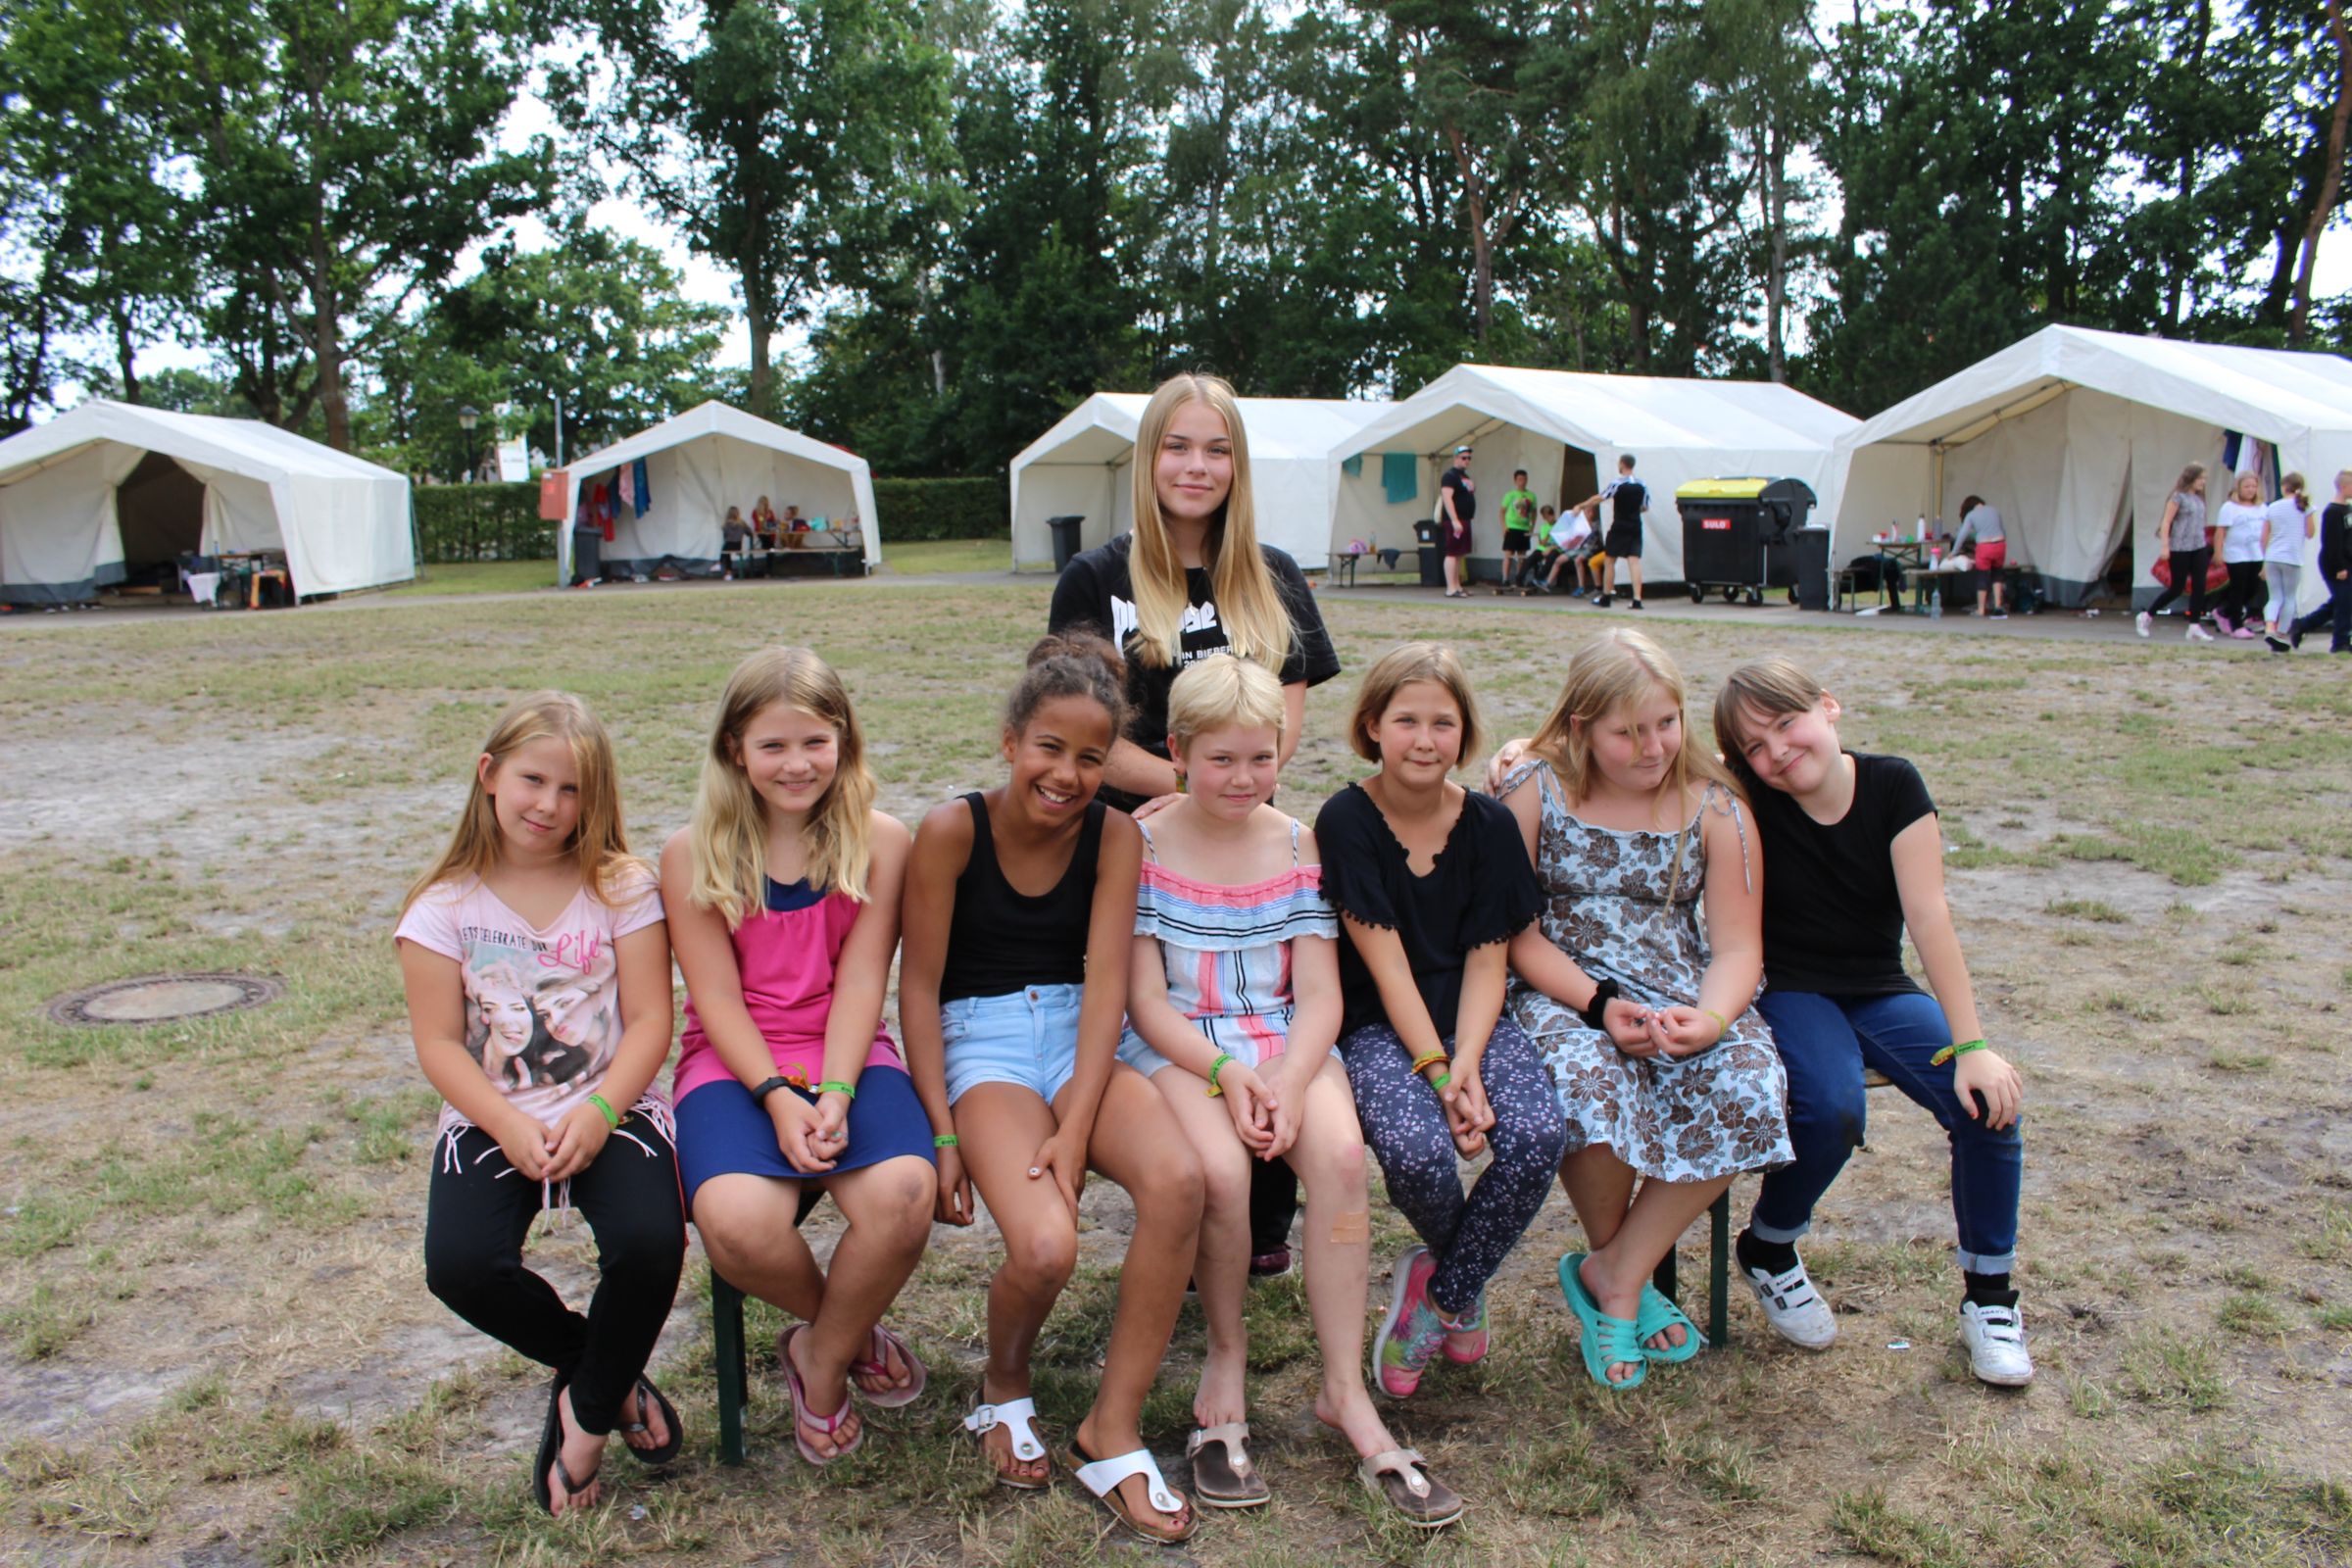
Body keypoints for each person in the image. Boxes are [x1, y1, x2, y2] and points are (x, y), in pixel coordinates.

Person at [1119, 655, 1462, 1527]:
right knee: (1222, 1175)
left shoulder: (1300, 844)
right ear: (1177, 752)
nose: (1242, 778)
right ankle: (1225, 1354)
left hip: (1285, 1040)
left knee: (1343, 1159)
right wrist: (1227, 1074)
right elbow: (1145, 1000)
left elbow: (1319, 994)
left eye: (1260, 758)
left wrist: (1291, 1073)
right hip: (1182, 1048)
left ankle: (1344, 1387)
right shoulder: (1144, 847)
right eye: (1220, 760)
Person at [899, 634, 1204, 1545]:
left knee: (1179, 1181)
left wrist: (1075, 1127)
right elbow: (918, 989)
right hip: (984, 1041)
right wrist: (942, 1135)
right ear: (1010, 742)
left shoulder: (1115, 835)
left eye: (1090, 757)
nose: (1067, 775)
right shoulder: (952, 831)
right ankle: (1004, 1383)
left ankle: (1112, 1429)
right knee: (1043, 1249)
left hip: (1082, 1036)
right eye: (1049, 749)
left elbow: (1107, 983)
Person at [1049, 370, 1341, 1273]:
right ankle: (1191, 1197)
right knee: (1170, 1007)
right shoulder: (1096, 577)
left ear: (1237, 465)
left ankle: (1263, 1215)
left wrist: (1222, 788)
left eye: (1217, 449)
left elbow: (1285, 718)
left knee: (1262, 994)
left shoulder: (1273, 575)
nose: (1196, 465)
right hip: (1132, 841)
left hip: (1243, 827)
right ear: (1148, 456)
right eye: (1177, 445)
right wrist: (1179, 783)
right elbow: (1078, 720)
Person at [395, 693, 685, 1516]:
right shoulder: (443, 908)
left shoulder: (621, 887)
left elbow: (651, 1019)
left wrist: (600, 1114)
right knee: (461, 1267)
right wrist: (508, 1124)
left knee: (649, 1242)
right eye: (533, 780)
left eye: (572, 790)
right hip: (494, 1116)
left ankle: (585, 1419)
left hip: (613, 1107)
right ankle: (603, 1371)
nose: (550, 805)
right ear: (489, 774)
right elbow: (440, 1044)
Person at [1710, 659, 2030, 1388]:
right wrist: (1526, 751)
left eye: (1787, 724)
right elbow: (1650, 750)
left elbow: (1929, 916)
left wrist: (1973, 1045)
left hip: (1877, 988)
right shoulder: (1746, 793)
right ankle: (1769, 1244)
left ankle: (1990, 1298)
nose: (1778, 752)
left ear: (1828, 706)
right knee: (1832, 1107)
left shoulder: (1893, 785)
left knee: (1987, 1104)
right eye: (1755, 746)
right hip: (1790, 988)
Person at [659, 648, 936, 1466]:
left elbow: (862, 982)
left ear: (845, 741)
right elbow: (715, 999)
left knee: (905, 1196)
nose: (796, 764)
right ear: (734, 748)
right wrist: (779, 1097)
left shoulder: (882, 840)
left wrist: (837, 1092)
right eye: (772, 745)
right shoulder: (692, 853)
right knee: (736, 1225)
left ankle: (819, 1359)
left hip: (848, 1049)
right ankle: (845, 1332)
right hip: (734, 1061)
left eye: (815, 741)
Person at [1494, 629, 1789, 1391]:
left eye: (1667, 722)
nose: (1654, 747)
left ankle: (1617, 1272)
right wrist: (1597, 1004)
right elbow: (1515, 934)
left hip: (1682, 990)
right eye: (1628, 732)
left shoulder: (1715, 805)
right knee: (1586, 1081)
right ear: (1581, 726)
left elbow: (1738, 948)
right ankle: (1626, 1284)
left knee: (1750, 1085)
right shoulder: (1534, 789)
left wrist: (1712, 1019)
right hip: (1564, 989)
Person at [1313, 645, 1567, 1404]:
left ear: (1465, 732)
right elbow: (1387, 967)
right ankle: (1466, 1273)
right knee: (1417, 1153)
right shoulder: (1346, 820)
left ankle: (1442, 1290)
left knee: (1537, 1136)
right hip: (1380, 1025)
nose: (1425, 740)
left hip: (1475, 1020)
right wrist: (1437, 1071)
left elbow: (1491, 959)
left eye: (1443, 723)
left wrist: (1469, 1063)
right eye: (1406, 721)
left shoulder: (1490, 825)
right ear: (1372, 726)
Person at [2138, 464, 2215, 641]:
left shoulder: (2199, 498)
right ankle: (2147, 615)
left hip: (2199, 545)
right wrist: (2165, 546)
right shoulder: (2177, 497)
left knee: (2199, 585)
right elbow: (2166, 521)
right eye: (2200, 478)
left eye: (2204, 479)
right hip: (2180, 547)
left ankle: (2194, 625)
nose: (2203, 482)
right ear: (2191, 478)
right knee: (2177, 588)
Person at [2290, 468, 2352, 653]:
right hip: (2335, 564)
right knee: (2344, 603)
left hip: (2347, 562)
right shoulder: (2332, 512)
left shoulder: (2347, 509)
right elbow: (2332, 543)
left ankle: (2303, 625)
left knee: (2341, 601)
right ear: (2343, 487)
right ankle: (2340, 642)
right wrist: (2339, 567)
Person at [1578, 456, 1649, 610]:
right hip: (1635, 525)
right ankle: (1637, 599)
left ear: (1622, 464)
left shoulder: (1617, 483)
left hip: (1619, 525)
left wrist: (1581, 505)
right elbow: (1645, 507)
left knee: (1610, 560)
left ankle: (1606, 596)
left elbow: (1600, 497)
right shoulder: (1642, 484)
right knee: (1634, 561)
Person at [2260, 472, 2314, 653]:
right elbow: (2310, 533)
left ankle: (2269, 627)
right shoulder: (2304, 506)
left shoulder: (2272, 507)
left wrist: (2265, 558)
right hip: (2292, 557)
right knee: (2289, 598)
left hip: (2273, 556)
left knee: (2274, 597)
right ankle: (2281, 633)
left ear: (2284, 487)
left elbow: (2264, 536)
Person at [2212, 471, 2269, 638]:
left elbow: (2267, 531)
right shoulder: (2229, 508)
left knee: (2252, 588)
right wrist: (2218, 552)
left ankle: (2224, 611)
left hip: (2256, 553)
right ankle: (2236, 625)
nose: (2250, 490)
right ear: (2239, 488)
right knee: (2238, 587)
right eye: (2247, 486)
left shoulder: (2262, 508)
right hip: (2237, 554)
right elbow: (2220, 531)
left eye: (2253, 486)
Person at [1953, 495, 2008, 617]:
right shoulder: (1994, 510)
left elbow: (1962, 534)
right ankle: (1998, 607)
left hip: (1984, 547)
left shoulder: (1971, 515)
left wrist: (1954, 552)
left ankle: (1981, 610)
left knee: (1982, 577)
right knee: (1997, 574)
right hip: (2000, 544)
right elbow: (2003, 531)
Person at [1435, 445, 1477, 598]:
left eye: (1469, 458)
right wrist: (1454, 520)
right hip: (1455, 520)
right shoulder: (1449, 476)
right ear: (1456, 458)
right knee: (1452, 552)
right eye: (1464, 458)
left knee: (1459, 553)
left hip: (1465, 519)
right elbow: (1447, 498)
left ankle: (1457, 585)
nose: (1467, 461)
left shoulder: (1464, 476)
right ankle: (1450, 588)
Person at [1494, 468, 1538, 595]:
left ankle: (1519, 578)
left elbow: (1534, 512)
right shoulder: (1510, 495)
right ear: (1515, 480)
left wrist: (1532, 526)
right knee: (1508, 554)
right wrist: (1504, 527)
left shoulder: (1531, 496)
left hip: (1524, 528)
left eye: (1524, 479)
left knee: (1522, 556)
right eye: (1519, 479)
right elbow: (1502, 511)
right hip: (1512, 527)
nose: (1522, 482)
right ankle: (1505, 579)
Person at [721, 507, 753, 578]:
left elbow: (725, 536)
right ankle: (723, 567)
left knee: (725, 551)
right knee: (726, 551)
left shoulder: (726, 524)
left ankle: (727, 571)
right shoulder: (742, 523)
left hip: (728, 545)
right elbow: (749, 532)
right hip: (738, 545)